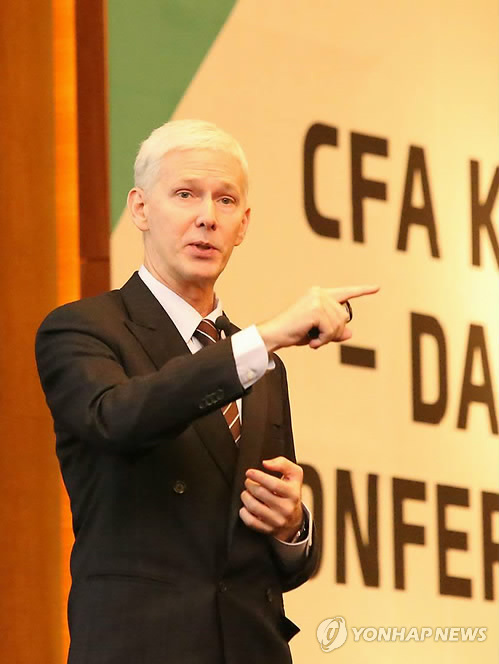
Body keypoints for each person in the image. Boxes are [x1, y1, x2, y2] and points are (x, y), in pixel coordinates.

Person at [36, 119, 378, 664]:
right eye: (185, 194)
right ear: (141, 209)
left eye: (225, 200)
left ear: (243, 225)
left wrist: (291, 527)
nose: (207, 217)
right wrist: (264, 336)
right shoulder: (83, 329)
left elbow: (273, 563)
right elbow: (118, 418)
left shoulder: (263, 367)